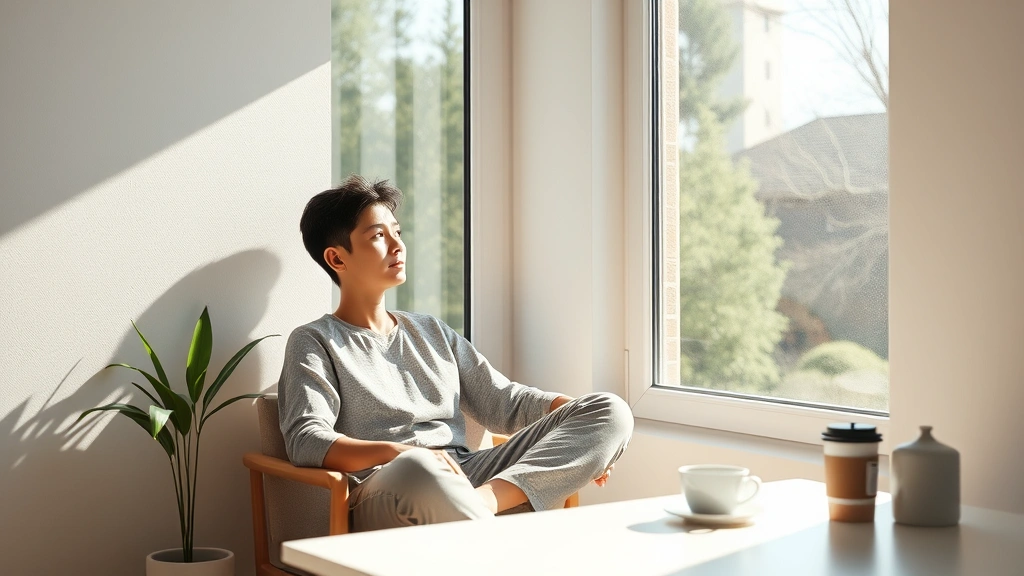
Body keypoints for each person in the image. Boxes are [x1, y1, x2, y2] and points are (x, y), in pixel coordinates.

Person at [278, 174, 634, 531]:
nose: (398, 246)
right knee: (418, 469)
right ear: (337, 259)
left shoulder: (432, 331)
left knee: (611, 409)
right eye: (377, 236)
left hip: (468, 474)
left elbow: (505, 402)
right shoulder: (314, 341)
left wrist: (578, 421)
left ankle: (481, 505)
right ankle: (480, 522)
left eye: (397, 232)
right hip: (390, 485)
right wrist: (400, 452)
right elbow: (306, 440)